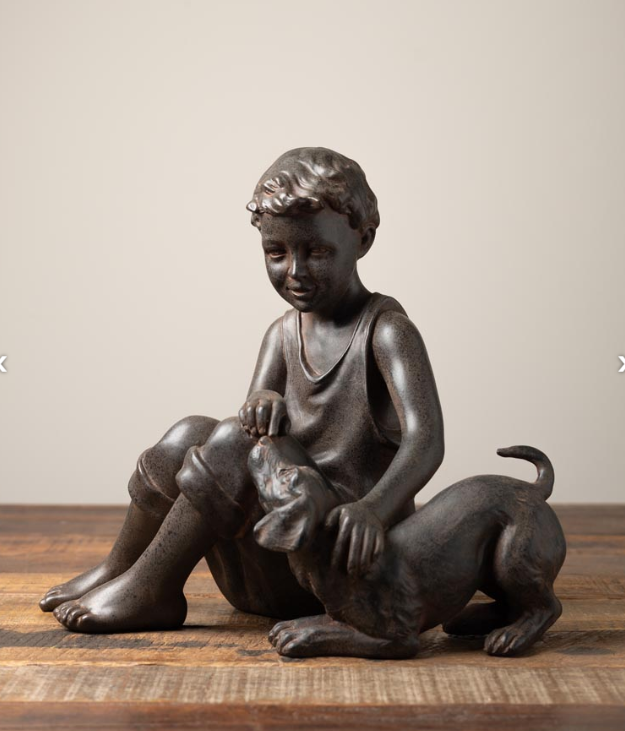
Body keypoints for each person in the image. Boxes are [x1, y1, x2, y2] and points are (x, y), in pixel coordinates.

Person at [41, 147, 445, 633]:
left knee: (233, 439)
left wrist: (372, 512)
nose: (295, 271)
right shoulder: (282, 333)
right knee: (189, 433)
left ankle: (152, 588)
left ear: (364, 239)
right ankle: (122, 568)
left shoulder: (387, 333)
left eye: (317, 252)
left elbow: (426, 441)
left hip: (337, 566)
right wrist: (263, 402)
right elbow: (253, 429)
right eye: (277, 253)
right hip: (271, 555)